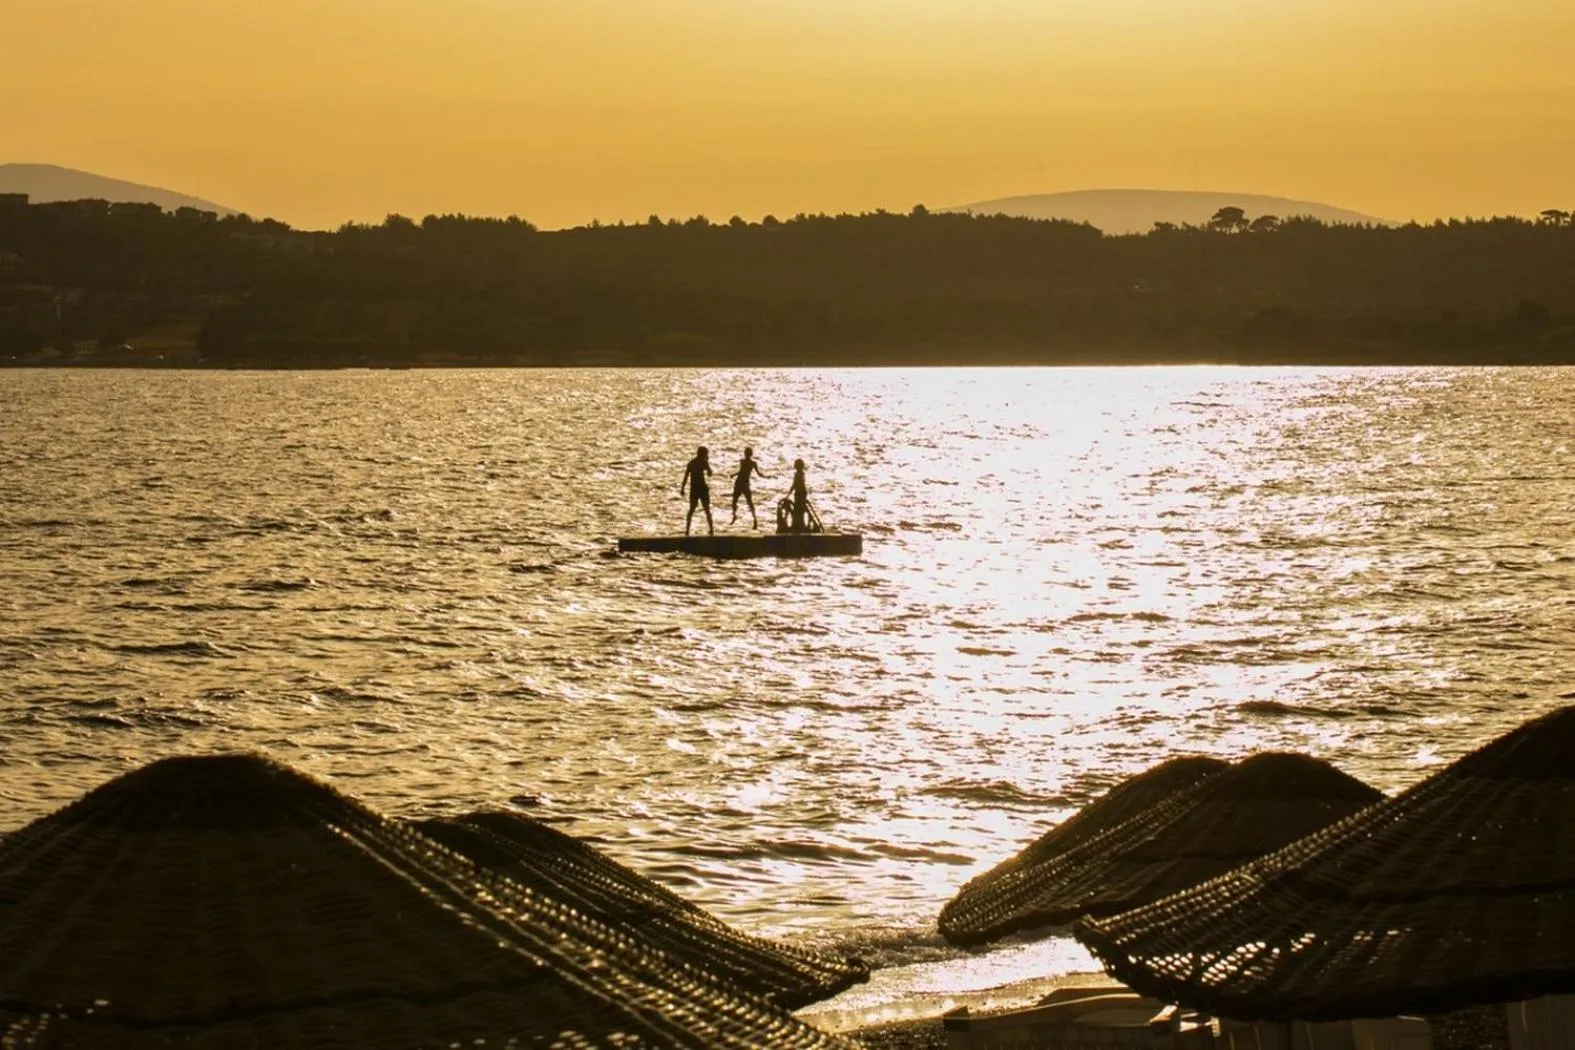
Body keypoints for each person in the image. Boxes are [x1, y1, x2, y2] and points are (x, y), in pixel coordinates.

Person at [729, 446, 768, 528]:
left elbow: (758, 473)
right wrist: (734, 474)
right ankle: (734, 516)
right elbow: (741, 471)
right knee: (734, 501)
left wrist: (765, 476)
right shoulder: (742, 461)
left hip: (745, 484)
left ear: (749, 454)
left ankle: (755, 520)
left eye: (747, 453)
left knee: (749, 502)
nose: (745, 455)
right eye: (745, 453)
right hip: (739, 482)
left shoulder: (753, 463)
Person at [680, 446, 713, 536]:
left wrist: (682, 488)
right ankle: (711, 529)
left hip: (694, 488)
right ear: (703, 454)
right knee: (706, 509)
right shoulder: (703, 462)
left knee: (692, 509)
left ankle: (687, 530)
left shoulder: (692, 463)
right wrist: (707, 462)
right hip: (702, 488)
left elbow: (686, 476)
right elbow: (710, 474)